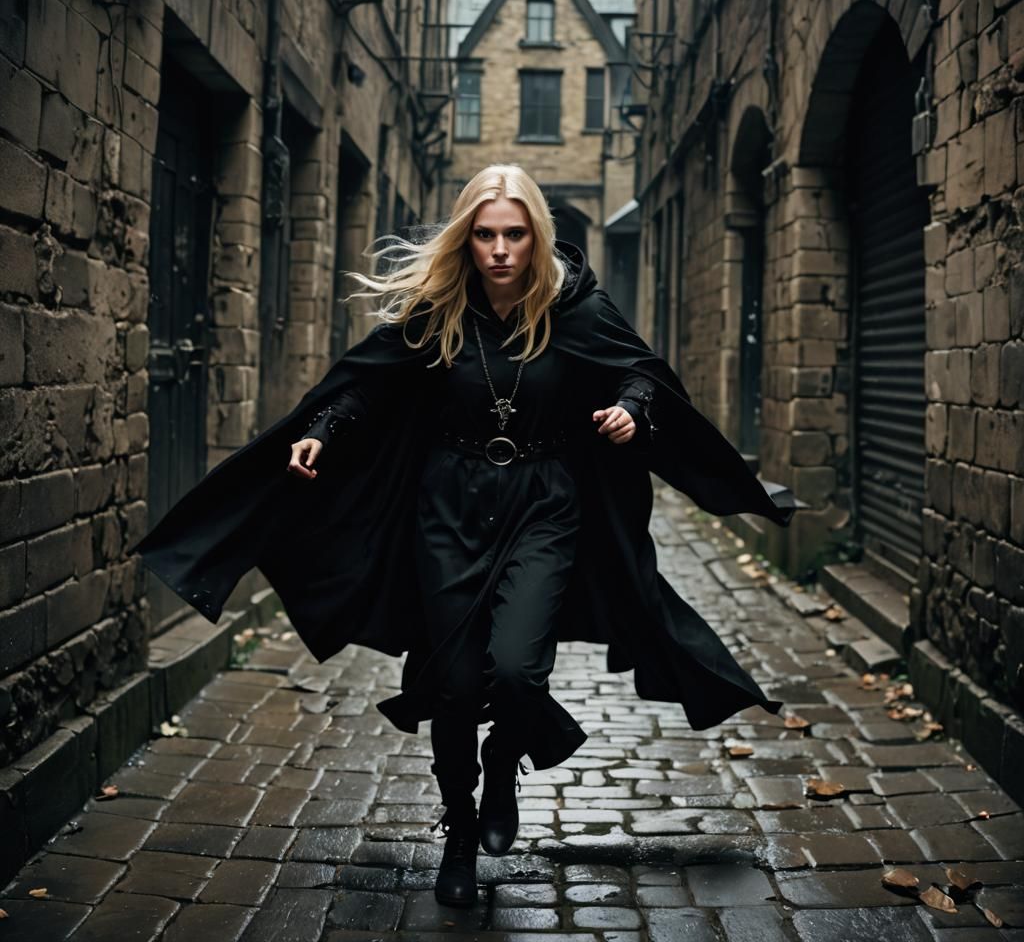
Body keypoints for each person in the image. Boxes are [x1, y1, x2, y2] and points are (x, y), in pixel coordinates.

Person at [134, 164, 796, 910]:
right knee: (450, 684)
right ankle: (459, 827)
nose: (501, 249)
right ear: (467, 238)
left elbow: (638, 373)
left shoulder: (574, 305)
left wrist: (632, 412)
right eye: (485, 234)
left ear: (537, 236)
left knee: (514, 671)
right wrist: (323, 430)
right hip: (447, 509)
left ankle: (504, 759)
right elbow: (367, 383)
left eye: (515, 233)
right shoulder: (440, 309)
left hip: (545, 505)